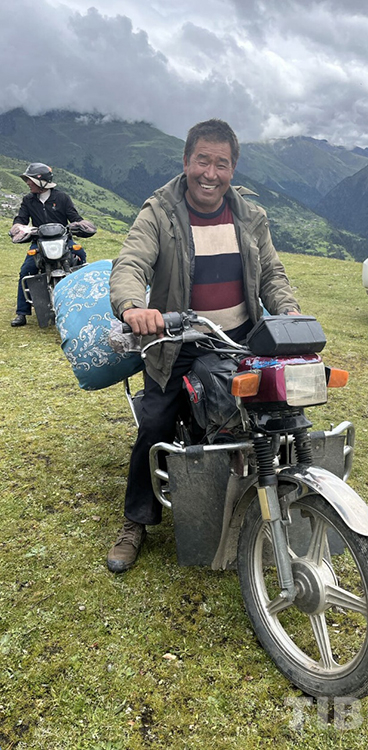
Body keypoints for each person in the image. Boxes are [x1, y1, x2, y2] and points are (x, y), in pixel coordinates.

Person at [107, 118, 301, 573]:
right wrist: (134, 307)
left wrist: (289, 311)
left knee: (279, 411)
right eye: (202, 161)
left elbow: (271, 273)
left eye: (221, 163)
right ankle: (136, 520)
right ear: (186, 161)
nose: (210, 173)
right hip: (177, 341)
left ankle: (285, 495)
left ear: (233, 168)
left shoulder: (249, 215)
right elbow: (131, 262)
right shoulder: (159, 211)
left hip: (238, 339)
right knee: (155, 423)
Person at [10, 163, 94, 327]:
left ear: (42, 182)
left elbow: (74, 217)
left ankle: (84, 300)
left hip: (64, 240)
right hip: (39, 242)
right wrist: (18, 228)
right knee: (26, 270)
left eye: (31, 180)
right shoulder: (28, 200)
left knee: (81, 257)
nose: (28, 183)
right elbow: (21, 219)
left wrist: (81, 225)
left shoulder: (62, 198)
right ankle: (22, 312)